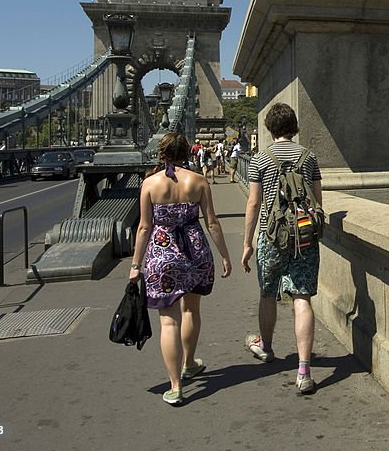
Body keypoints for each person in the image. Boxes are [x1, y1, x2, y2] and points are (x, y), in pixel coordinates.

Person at [129, 133, 232, 405]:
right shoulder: (198, 181)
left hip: (162, 256)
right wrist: (224, 256)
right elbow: (212, 223)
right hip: (195, 252)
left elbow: (144, 227)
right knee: (191, 310)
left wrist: (135, 264)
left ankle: (175, 386)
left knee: (168, 320)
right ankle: (189, 363)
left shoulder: (150, 184)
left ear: (161, 153)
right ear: (187, 152)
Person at [241, 103, 322, 395]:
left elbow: (253, 203)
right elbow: (318, 201)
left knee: (268, 294)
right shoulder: (309, 157)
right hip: (303, 237)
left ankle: (266, 346)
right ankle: (303, 371)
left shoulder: (260, 159)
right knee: (302, 298)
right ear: (294, 126)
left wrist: (247, 242)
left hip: (271, 235)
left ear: (270, 128)